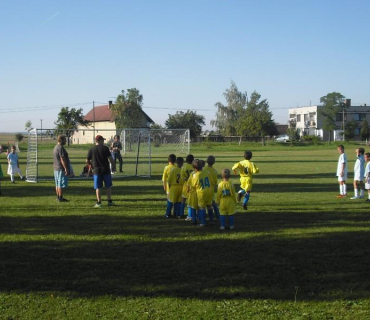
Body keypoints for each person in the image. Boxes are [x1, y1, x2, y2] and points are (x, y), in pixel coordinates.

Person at [86, 135, 116, 208]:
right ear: (100, 141)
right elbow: (110, 159)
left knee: (98, 187)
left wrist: (91, 165)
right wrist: (113, 166)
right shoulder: (105, 148)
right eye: (103, 140)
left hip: (96, 171)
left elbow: (87, 160)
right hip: (106, 170)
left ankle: (99, 202)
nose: (103, 141)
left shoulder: (91, 149)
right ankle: (109, 201)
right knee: (108, 186)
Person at [189, 159, 213, 227]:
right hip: (209, 191)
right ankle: (211, 220)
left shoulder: (196, 175)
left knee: (201, 207)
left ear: (195, 168)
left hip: (201, 193)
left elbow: (193, 186)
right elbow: (210, 181)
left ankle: (203, 222)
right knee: (209, 206)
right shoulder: (207, 172)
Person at [53, 135, 70, 202]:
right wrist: (66, 168)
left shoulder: (55, 147)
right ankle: (60, 197)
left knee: (57, 183)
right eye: (65, 139)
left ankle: (58, 197)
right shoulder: (60, 148)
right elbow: (62, 159)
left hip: (56, 168)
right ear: (61, 140)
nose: (66, 141)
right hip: (60, 168)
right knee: (60, 184)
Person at [205, 155, 220, 222]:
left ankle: (200, 218)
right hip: (211, 190)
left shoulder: (204, 169)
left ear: (206, 161)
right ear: (214, 162)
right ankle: (217, 216)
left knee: (203, 205)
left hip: (204, 188)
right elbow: (215, 182)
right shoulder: (214, 171)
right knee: (212, 204)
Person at [162, 154, 176, 218]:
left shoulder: (166, 168)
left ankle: (168, 213)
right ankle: (176, 213)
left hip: (169, 186)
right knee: (176, 200)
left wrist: (164, 185)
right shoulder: (177, 167)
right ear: (175, 160)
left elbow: (164, 178)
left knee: (169, 200)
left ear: (168, 160)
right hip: (176, 186)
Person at [181, 154, 194, 221]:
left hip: (186, 185)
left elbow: (182, 177)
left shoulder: (184, 167)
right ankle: (192, 215)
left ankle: (181, 213)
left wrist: (185, 179)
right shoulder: (194, 167)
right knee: (190, 201)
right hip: (192, 186)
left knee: (183, 199)